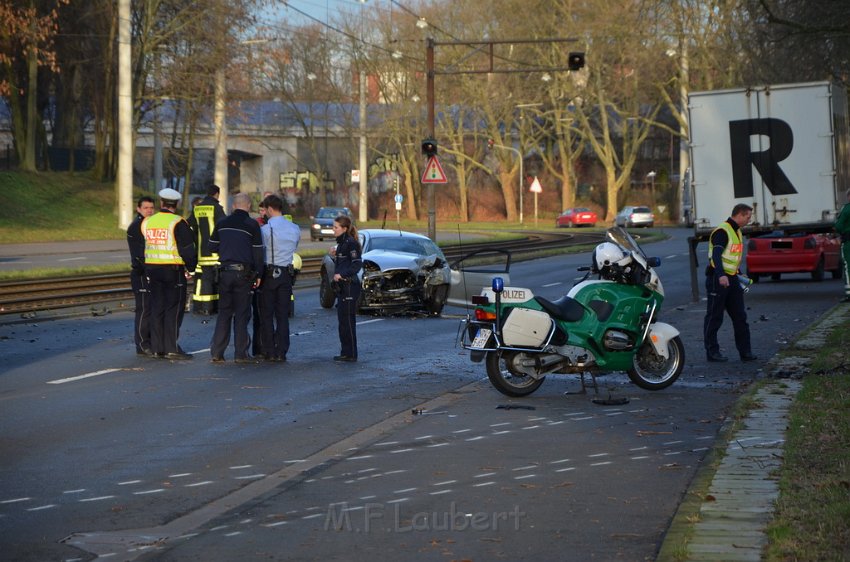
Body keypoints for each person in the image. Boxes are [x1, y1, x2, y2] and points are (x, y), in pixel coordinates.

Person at [142, 188, 198, 359]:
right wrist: (191, 268)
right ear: (177, 204)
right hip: (172, 271)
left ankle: (158, 348)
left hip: (152, 269)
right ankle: (171, 348)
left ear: (161, 203)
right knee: (173, 308)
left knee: (157, 307)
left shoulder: (148, 222)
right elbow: (187, 249)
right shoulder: (178, 222)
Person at [208, 193, 265, 363]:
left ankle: (217, 352)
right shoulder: (252, 225)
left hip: (224, 273)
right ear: (248, 206)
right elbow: (257, 253)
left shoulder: (222, 223)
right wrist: (259, 274)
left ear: (233, 206)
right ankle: (240, 353)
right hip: (243, 274)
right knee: (242, 313)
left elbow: (212, 246)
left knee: (224, 313)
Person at [704, 203, 757, 363]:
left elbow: (731, 257)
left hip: (731, 278)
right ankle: (712, 352)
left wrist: (738, 273)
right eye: (748, 217)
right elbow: (716, 256)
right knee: (714, 317)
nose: (749, 220)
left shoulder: (737, 231)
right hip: (718, 279)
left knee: (740, 316)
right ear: (739, 215)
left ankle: (745, 352)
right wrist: (721, 275)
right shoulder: (722, 231)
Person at [259, 194, 301, 362]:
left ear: (269, 209)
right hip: (285, 274)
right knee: (282, 315)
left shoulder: (264, 230)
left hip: (268, 273)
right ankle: (282, 351)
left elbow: (261, 250)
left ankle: (269, 350)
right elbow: (294, 246)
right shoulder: (295, 228)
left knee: (267, 314)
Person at [187, 184, 226, 314]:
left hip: (201, 252)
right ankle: (213, 307)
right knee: (216, 280)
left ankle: (205, 307)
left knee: (205, 279)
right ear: (217, 194)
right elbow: (223, 227)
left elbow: (190, 224)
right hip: (215, 252)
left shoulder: (197, 208)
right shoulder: (217, 208)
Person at [330, 215, 362, 362]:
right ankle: (345, 351)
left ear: (344, 228)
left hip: (349, 285)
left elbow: (356, 265)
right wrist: (334, 256)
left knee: (348, 321)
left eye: (335, 227)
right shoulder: (342, 244)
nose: (333, 230)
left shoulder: (351, 243)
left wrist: (341, 274)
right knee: (342, 321)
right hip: (343, 286)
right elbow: (344, 263)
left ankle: (351, 354)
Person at [127, 195, 155, 356]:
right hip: (141, 273)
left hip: (152, 272)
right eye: (146, 208)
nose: (149, 211)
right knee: (144, 309)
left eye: (151, 208)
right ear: (138, 209)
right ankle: (142, 344)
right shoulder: (136, 227)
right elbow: (140, 255)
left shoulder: (151, 225)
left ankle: (152, 340)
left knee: (152, 308)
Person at [834, 189, 850, 302]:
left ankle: (849, 294)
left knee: (848, 267)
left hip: (848, 242)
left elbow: (839, 226)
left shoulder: (846, 208)